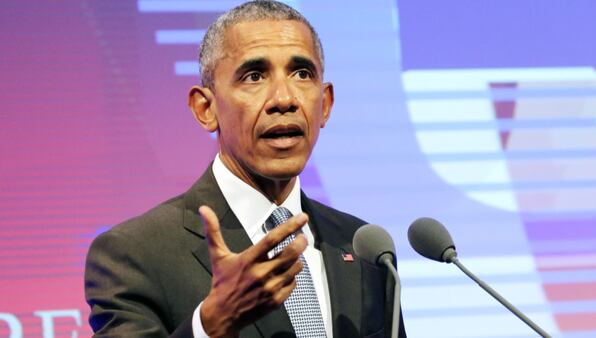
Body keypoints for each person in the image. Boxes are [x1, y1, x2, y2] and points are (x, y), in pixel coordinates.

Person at [84, 1, 407, 337]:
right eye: (254, 75)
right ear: (205, 108)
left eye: (302, 73)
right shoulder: (135, 253)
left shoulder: (363, 248)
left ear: (324, 105)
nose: (284, 98)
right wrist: (211, 324)